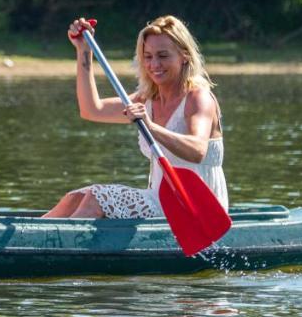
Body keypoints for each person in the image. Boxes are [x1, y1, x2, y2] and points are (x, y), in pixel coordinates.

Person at [42, 15, 228, 219]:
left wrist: (151, 126)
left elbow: (197, 150)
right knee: (76, 198)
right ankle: (30, 240)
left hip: (197, 208)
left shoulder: (197, 97)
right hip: (159, 200)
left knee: (96, 198)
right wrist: (84, 51)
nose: (154, 64)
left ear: (184, 56)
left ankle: (58, 249)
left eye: (163, 56)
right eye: (148, 57)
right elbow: (91, 109)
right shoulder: (146, 99)